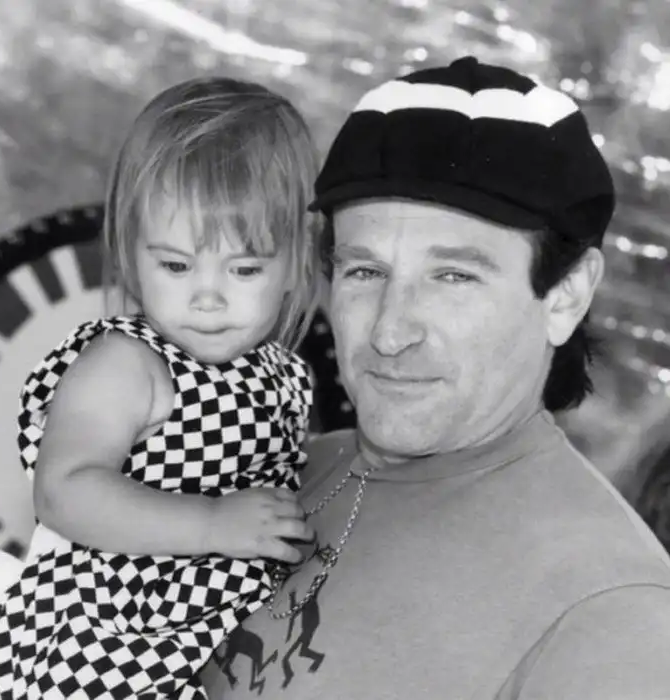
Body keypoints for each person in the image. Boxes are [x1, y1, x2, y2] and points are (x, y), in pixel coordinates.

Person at [201, 56, 670, 699]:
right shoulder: (270, 476)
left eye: (453, 276)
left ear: (565, 295)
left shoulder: (612, 618)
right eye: (365, 271)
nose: (390, 332)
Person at [0, 76, 320, 698]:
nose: (207, 296)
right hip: (93, 648)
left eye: (244, 268)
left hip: (196, 650)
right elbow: (63, 491)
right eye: (176, 265)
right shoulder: (128, 363)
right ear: (131, 255)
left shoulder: (285, 378)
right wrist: (212, 524)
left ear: (296, 260)